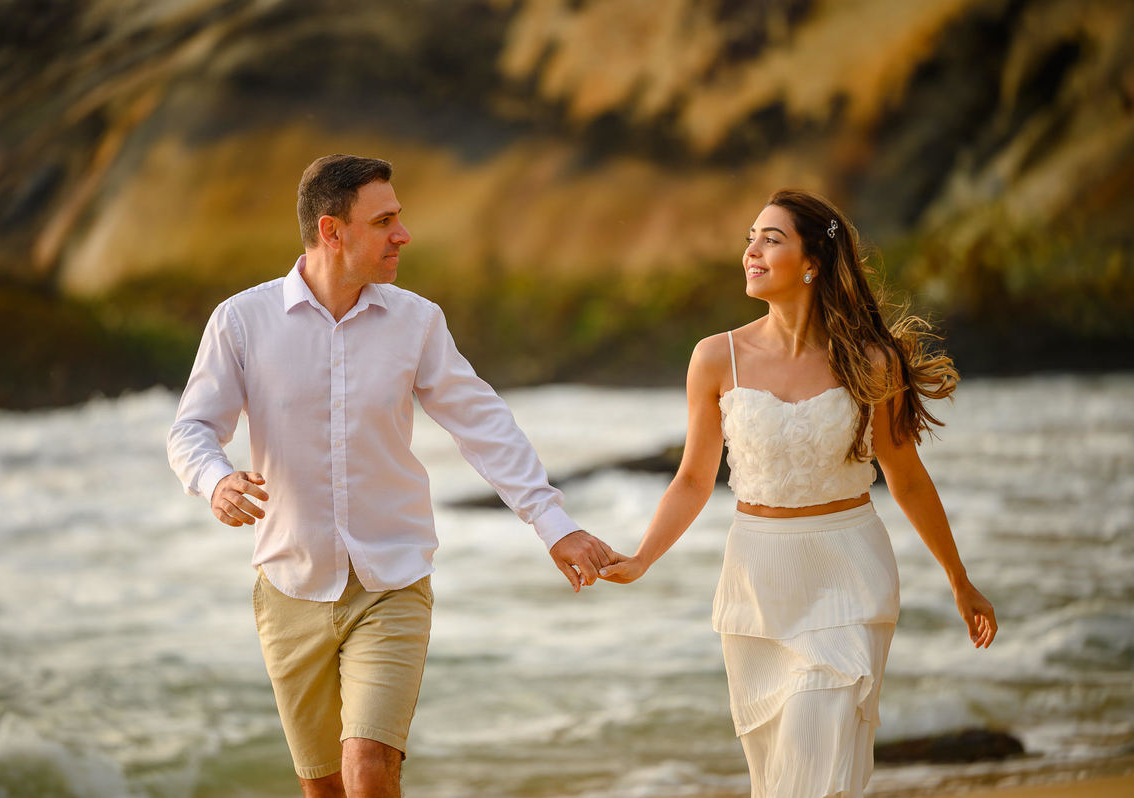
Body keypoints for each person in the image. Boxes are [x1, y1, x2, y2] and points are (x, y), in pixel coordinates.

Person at [166, 154, 618, 798]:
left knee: (369, 768)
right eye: (383, 222)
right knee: (324, 789)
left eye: (397, 219)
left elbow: (482, 424)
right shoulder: (242, 321)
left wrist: (554, 524)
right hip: (290, 584)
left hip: (392, 580)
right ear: (332, 231)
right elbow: (191, 428)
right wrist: (215, 481)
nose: (402, 235)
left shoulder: (417, 322)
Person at [599, 189, 998, 797]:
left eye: (771, 239)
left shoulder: (872, 361)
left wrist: (959, 579)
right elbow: (693, 478)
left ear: (812, 262)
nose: (752, 252)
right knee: (778, 775)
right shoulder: (716, 358)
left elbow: (907, 475)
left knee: (817, 746)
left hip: (849, 573)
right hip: (758, 582)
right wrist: (641, 558)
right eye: (750, 240)